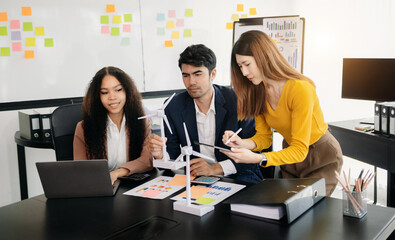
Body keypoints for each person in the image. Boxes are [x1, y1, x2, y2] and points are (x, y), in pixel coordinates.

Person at [221, 30, 343, 196]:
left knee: (311, 212)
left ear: (264, 56)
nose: (243, 73)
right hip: (290, 153)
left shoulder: (300, 89)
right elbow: (264, 138)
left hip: (321, 154)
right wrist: (240, 143)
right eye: (240, 66)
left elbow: (301, 149)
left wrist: (259, 158)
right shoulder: (259, 91)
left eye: (247, 64)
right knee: (288, 210)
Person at [148, 44, 263, 183]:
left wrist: (215, 168)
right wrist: (160, 155)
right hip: (196, 181)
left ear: (212, 74)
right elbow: (172, 154)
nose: (191, 82)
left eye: (197, 74)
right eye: (186, 75)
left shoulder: (239, 100)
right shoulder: (173, 106)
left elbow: (256, 152)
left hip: (238, 178)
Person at [73, 66, 153, 184]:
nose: (112, 97)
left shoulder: (142, 122)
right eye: (105, 92)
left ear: (127, 91)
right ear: (97, 96)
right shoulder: (83, 128)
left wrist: (117, 173)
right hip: (99, 186)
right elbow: (80, 169)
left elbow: (147, 160)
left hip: (131, 185)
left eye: (118, 90)